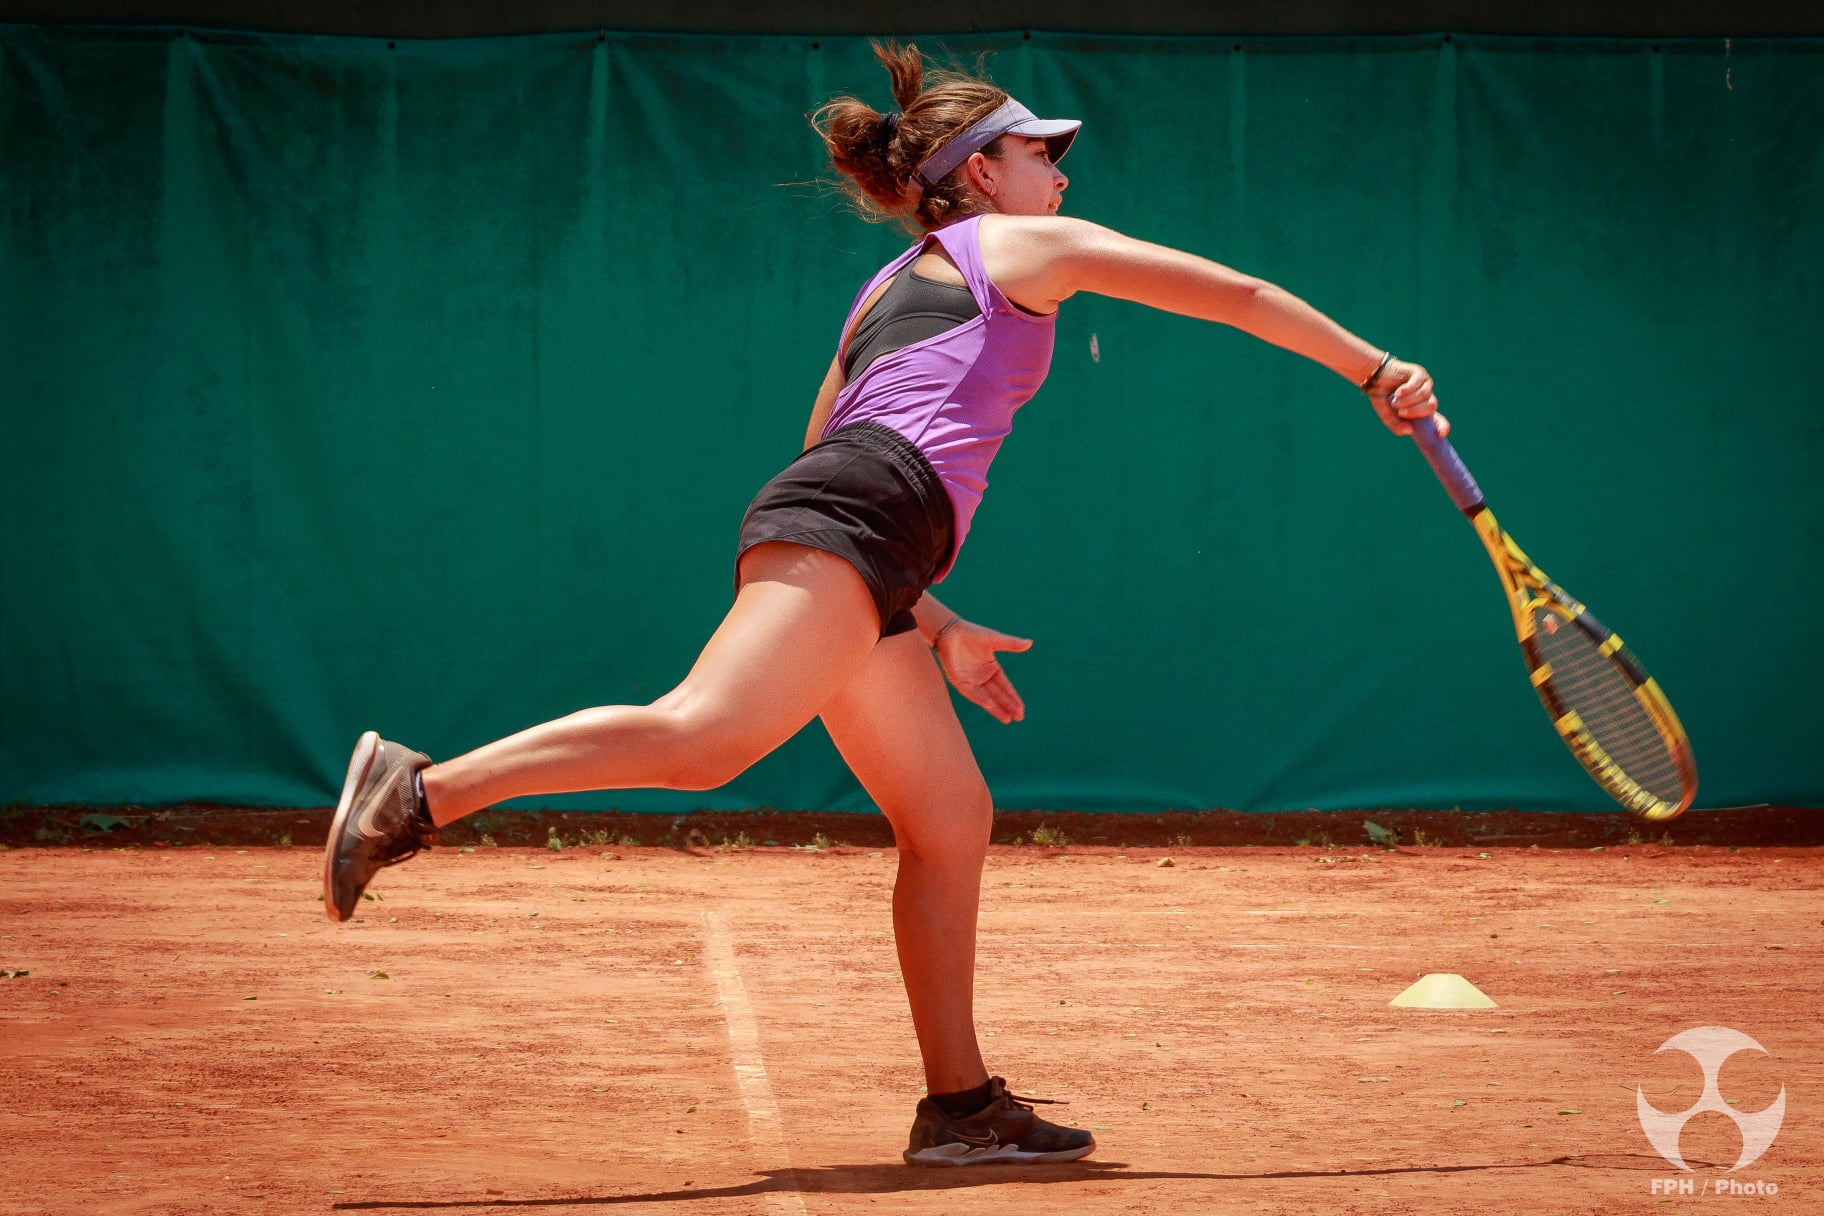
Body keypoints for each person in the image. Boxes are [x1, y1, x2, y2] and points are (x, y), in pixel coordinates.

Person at [321, 41, 1445, 1167]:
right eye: (1038, 149)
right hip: (862, 520)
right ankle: (417, 790)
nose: (1060, 168)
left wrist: (931, 620)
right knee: (702, 736)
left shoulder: (885, 290)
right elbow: (1238, 295)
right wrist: (1374, 369)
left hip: (869, 534)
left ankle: (959, 1110)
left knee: (949, 820)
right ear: (982, 172)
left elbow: (828, 442)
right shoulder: (1025, 243)